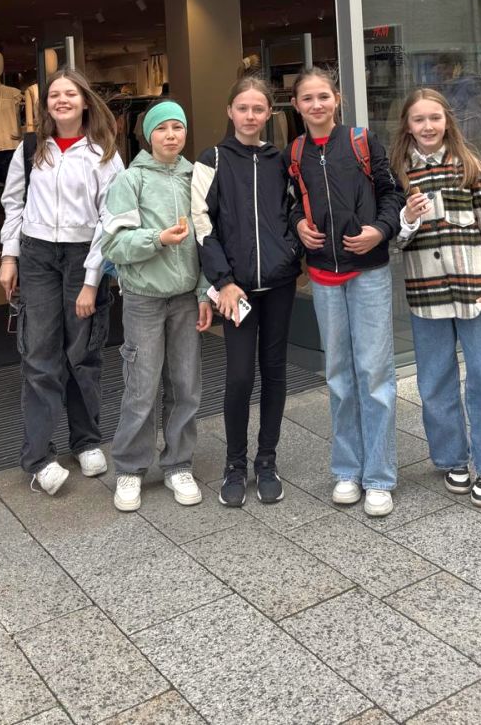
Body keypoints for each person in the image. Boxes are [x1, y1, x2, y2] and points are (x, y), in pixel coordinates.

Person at [0, 67, 124, 496]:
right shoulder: (30, 148)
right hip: (36, 256)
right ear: (46, 104)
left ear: (85, 101)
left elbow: (112, 219)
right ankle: (38, 457)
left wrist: (92, 279)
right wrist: (9, 256)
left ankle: (86, 440)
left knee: (83, 352)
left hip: (83, 256)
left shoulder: (104, 152)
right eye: (55, 94)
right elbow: (13, 203)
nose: (62, 100)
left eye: (70, 93)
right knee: (39, 354)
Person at [286, 67, 406, 517]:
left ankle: (379, 477)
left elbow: (392, 193)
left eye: (323, 96)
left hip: (368, 271)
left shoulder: (362, 141)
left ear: (337, 99)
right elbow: (290, 202)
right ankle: (346, 470)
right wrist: (299, 224)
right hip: (322, 274)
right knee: (338, 375)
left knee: (374, 375)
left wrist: (380, 230)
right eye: (307, 98)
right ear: (296, 106)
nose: (316, 105)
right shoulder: (294, 151)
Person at [392, 87, 481, 508]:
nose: (427, 126)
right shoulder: (398, 174)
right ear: (407, 126)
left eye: (434, 118)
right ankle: (452, 459)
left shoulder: (472, 168)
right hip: (425, 294)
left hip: (474, 292)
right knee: (434, 381)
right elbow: (395, 241)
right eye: (418, 119)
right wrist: (407, 219)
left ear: (447, 120)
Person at [192, 76, 301, 507]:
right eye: (243, 108)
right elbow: (202, 224)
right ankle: (234, 464)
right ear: (230, 111)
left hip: (279, 285)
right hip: (234, 290)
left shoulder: (281, 160)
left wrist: (290, 254)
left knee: (274, 372)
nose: (251, 116)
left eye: (258, 109)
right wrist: (222, 281)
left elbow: (296, 211)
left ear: (269, 113)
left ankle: (267, 461)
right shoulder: (212, 159)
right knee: (239, 376)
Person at [101, 100, 212, 512]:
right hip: (143, 299)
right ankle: (130, 468)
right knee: (141, 387)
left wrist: (204, 292)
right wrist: (157, 239)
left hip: (185, 299)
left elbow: (209, 240)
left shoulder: (196, 177)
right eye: (162, 128)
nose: (170, 135)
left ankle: (178, 463)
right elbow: (113, 244)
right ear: (148, 135)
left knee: (186, 385)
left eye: (177, 128)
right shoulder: (130, 180)